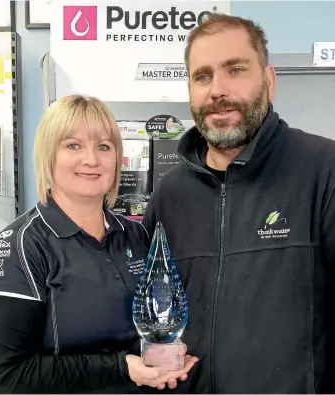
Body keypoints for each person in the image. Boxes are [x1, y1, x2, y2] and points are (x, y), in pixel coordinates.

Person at [143, 13, 335, 394]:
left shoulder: (323, 169)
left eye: (235, 70)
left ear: (269, 80)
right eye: (203, 76)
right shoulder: (170, 194)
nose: (217, 90)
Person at [0, 95, 198, 394]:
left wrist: (163, 358)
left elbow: (152, 326)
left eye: (103, 146)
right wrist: (121, 368)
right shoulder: (20, 248)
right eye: (73, 145)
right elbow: (6, 377)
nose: (91, 159)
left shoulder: (135, 236)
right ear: (48, 156)